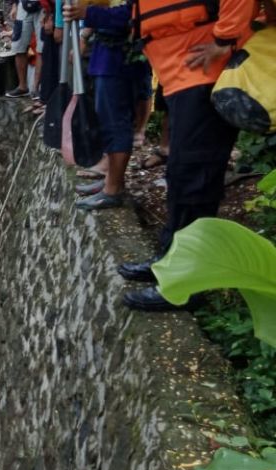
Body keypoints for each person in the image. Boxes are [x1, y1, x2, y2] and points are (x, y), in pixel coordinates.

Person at [110, 0, 256, 310]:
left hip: (204, 72)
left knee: (194, 180)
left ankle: (186, 286)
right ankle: (169, 260)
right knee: (180, 175)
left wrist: (224, 41)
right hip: (181, 74)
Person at [65, 0, 146, 211]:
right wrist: (85, 31)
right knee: (107, 121)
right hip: (106, 54)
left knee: (115, 123)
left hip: (120, 56)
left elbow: (131, 14)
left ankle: (113, 190)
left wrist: (88, 13)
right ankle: (112, 179)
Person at [6, 0, 45, 98]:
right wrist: (14, 5)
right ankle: (22, 87)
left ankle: (36, 89)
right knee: (18, 45)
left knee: (42, 48)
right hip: (23, 5)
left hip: (43, 6)